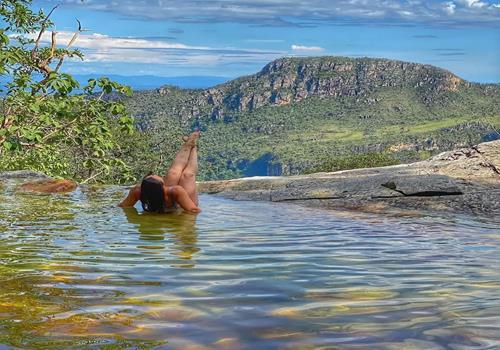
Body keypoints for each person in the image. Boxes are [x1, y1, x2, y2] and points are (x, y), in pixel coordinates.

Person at [118, 131, 201, 214]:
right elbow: (194, 211)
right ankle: (193, 147)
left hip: (185, 204)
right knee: (187, 175)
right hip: (181, 211)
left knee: (173, 173)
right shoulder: (137, 192)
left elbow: (121, 206)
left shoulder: (173, 191)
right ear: (163, 187)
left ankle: (190, 145)